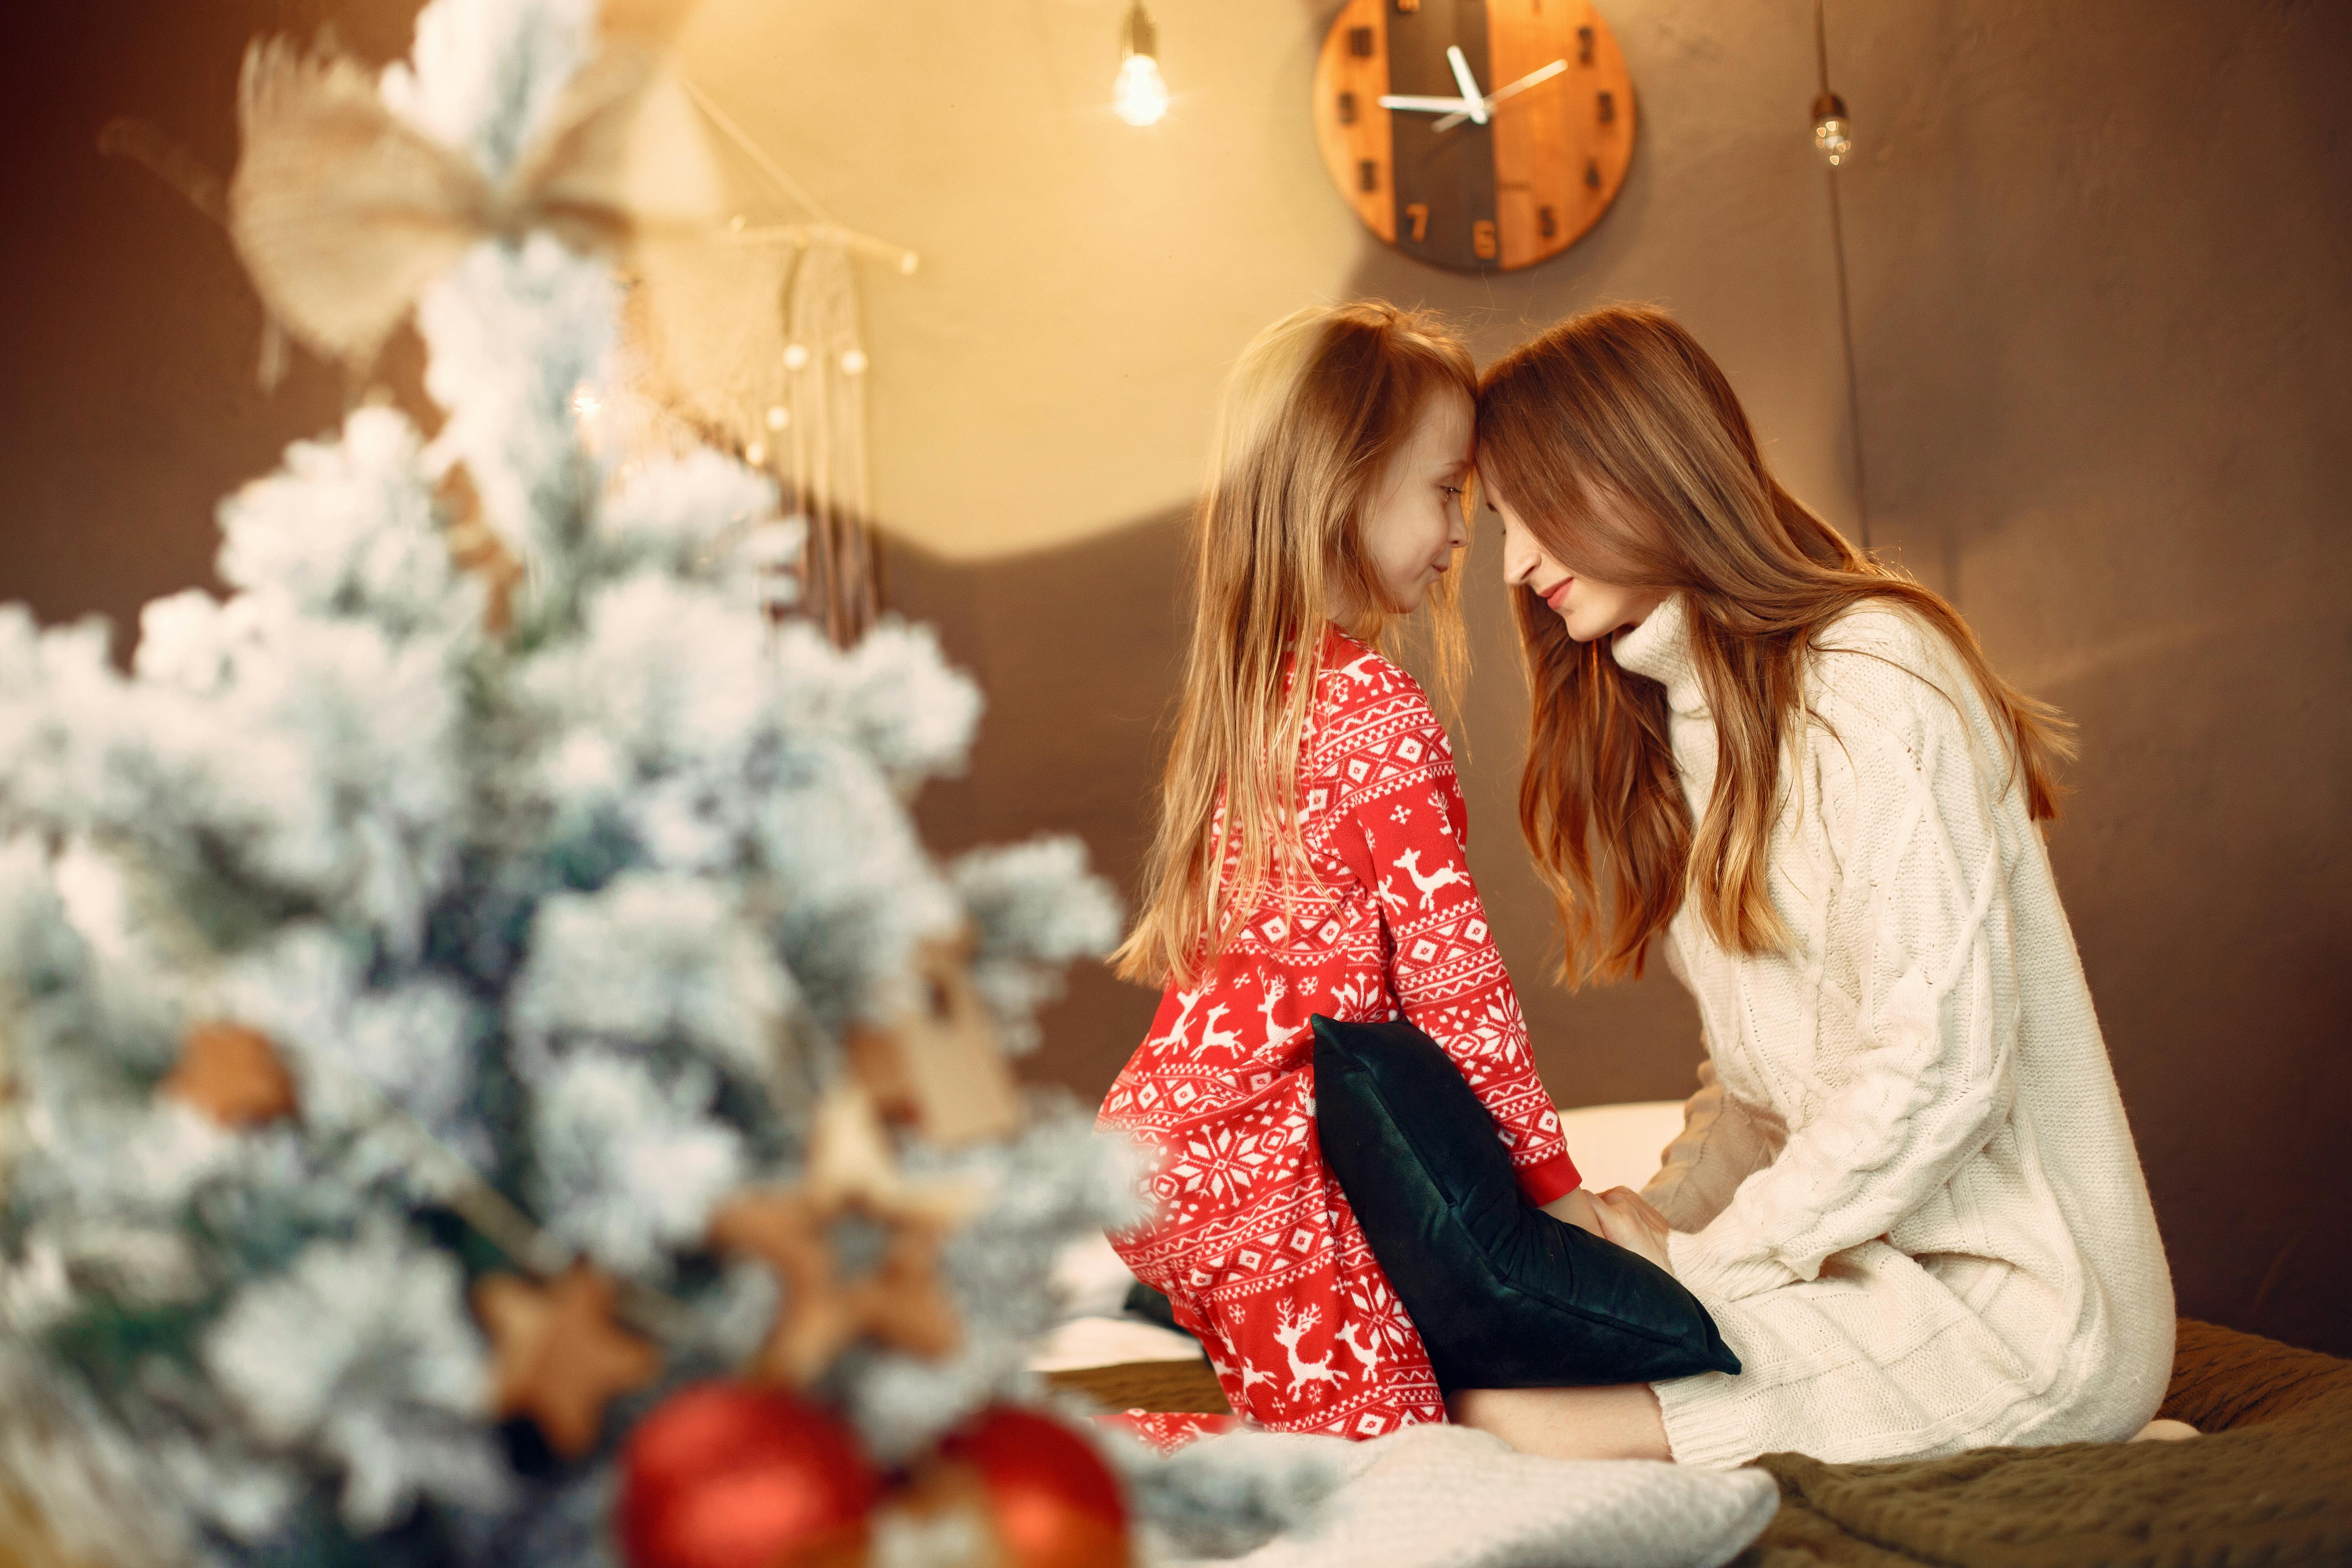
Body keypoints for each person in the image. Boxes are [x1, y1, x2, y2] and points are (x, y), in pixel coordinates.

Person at [1453, 304, 2176, 1466]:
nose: (1518, 564)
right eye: (1498, 521)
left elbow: (1937, 1070)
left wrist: (1701, 1268)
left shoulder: (1872, 674)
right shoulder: (1680, 717)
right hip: (1857, 1265)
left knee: (1511, 1420)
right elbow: (1757, 1093)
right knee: (1488, 1368)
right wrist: (1645, 1229)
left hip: (2021, 1310)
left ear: (1640, 469)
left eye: (1535, 511)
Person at [1099, 301, 1611, 1440]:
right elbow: (1457, 989)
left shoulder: (1263, 697)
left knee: (1326, 1446)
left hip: (1192, 1143)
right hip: (1255, 1169)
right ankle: (1056, 1474)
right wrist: (1559, 1199)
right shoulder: (1372, 710)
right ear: (1348, 478)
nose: (1463, 533)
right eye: (1445, 490)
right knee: (1384, 1473)